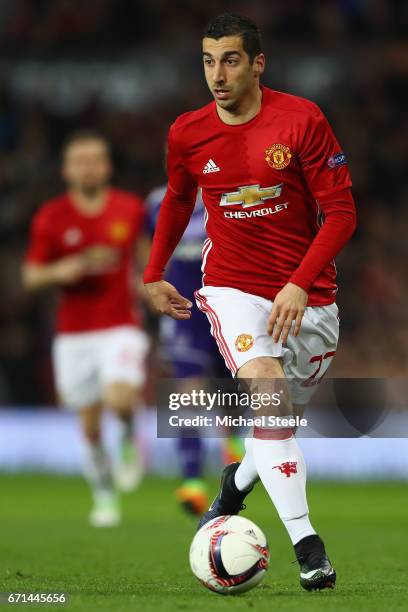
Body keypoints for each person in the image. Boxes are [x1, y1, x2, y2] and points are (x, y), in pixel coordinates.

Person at [144, 13, 357, 590]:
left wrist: (299, 282)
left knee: (276, 428)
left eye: (231, 60)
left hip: (311, 302)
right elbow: (177, 201)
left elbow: (341, 214)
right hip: (231, 288)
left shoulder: (302, 119)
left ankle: (234, 487)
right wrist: (154, 270)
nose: (218, 73)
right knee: (267, 393)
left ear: (258, 63)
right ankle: (309, 549)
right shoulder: (187, 132)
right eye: (209, 60)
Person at [23, 131, 149, 527]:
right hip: (73, 332)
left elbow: (147, 258)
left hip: (121, 323)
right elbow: (30, 277)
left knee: (120, 400)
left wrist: (148, 283)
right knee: (90, 425)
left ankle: (129, 435)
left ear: (107, 166)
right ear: (66, 169)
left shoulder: (130, 209)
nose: (88, 166)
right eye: (79, 160)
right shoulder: (51, 216)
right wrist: (62, 270)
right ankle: (104, 494)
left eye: (95, 159)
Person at [147, 184, 243, 515]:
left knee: (231, 383)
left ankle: (234, 440)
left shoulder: (232, 190)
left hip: (227, 300)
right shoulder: (157, 203)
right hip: (184, 306)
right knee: (188, 389)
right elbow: (146, 248)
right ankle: (192, 480)